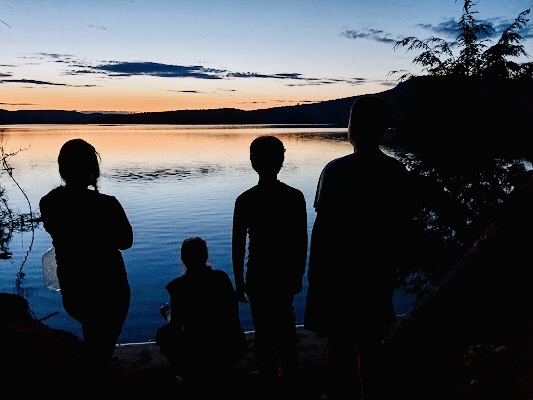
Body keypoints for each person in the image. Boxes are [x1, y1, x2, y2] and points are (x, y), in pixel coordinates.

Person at [304, 95, 414, 400]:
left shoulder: (335, 170)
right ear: (383, 128)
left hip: (339, 276)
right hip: (377, 273)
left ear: (352, 128)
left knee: (339, 346)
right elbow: (402, 229)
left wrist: (315, 277)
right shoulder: (396, 172)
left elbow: (322, 232)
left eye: (351, 121)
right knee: (370, 347)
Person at [39, 138, 133, 377]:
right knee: (101, 338)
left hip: (74, 288)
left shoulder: (49, 203)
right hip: (110, 288)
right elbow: (126, 241)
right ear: (93, 169)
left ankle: (95, 366)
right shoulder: (108, 205)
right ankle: (97, 372)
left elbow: (58, 228)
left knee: (93, 333)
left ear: (62, 169)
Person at [232, 135, 308, 389]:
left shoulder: (245, 200)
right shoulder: (294, 197)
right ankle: (289, 377)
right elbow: (301, 242)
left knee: (263, 333)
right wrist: (298, 273)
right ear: (281, 160)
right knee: (286, 329)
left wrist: (239, 281)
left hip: (258, 275)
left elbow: (238, 245)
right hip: (284, 274)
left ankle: (269, 380)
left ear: (253, 161)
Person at [156, 236, 247, 390]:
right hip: (233, 348)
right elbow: (233, 314)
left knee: (163, 334)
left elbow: (175, 327)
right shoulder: (222, 278)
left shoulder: (179, 287)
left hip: (199, 353)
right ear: (205, 256)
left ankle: (189, 374)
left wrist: (168, 313)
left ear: (183, 259)